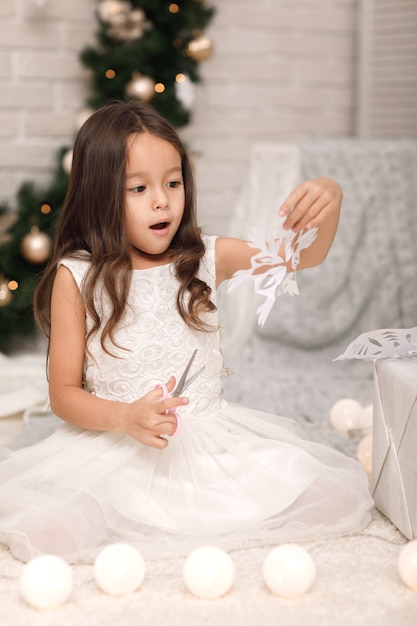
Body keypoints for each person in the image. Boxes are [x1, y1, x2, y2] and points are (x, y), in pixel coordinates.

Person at [0, 100, 373, 563]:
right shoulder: (76, 277)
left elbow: (305, 256)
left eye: (173, 182)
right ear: (100, 194)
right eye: (138, 188)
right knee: (47, 534)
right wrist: (124, 417)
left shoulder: (204, 257)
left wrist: (330, 193)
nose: (162, 200)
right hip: (117, 448)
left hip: (206, 444)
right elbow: (63, 394)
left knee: (336, 497)